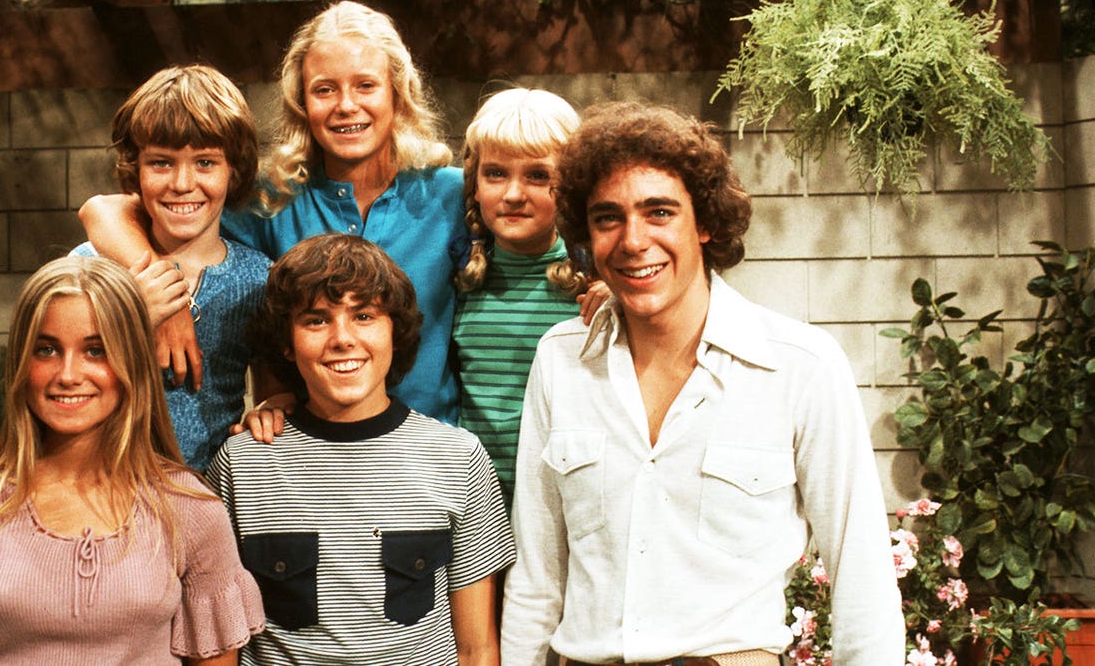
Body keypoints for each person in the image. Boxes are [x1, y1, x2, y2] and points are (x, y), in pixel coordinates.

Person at [500, 102, 905, 666]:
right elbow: (537, 579)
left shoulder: (800, 367)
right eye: (607, 217)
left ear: (705, 222)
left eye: (659, 211)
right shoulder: (561, 361)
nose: (633, 240)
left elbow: (862, 579)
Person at [79, 0, 464, 426]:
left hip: (429, 452)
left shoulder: (452, 194)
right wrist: (165, 295)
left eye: (366, 86)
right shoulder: (272, 200)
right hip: (305, 454)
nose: (345, 105)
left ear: (398, 93)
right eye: (324, 89)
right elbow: (105, 210)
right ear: (301, 102)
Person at [0, 256, 265, 664]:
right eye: (47, 349)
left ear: (134, 362)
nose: (68, 374)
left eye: (95, 350)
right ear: (20, 362)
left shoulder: (191, 510)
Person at [205, 233, 515, 665]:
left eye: (364, 315)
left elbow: (477, 646)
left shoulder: (457, 458)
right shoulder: (245, 462)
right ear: (286, 342)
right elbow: (222, 640)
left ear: (396, 329)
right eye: (316, 320)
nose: (343, 338)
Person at [72, 64, 272, 470]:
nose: (182, 183)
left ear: (233, 169)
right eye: (161, 163)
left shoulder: (259, 279)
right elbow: (66, 374)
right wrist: (131, 317)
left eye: (205, 163)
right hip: (101, 490)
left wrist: (268, 413)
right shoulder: (88, 267)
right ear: (136, 169)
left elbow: (274, 394)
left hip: (207, 501)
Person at [452, 87, 604, 506]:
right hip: (476, 506)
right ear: (475, 184)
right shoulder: (460, 278)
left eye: (538, 176)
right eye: (496, 173)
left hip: (568, 501)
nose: (514, 193)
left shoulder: (596, 280)